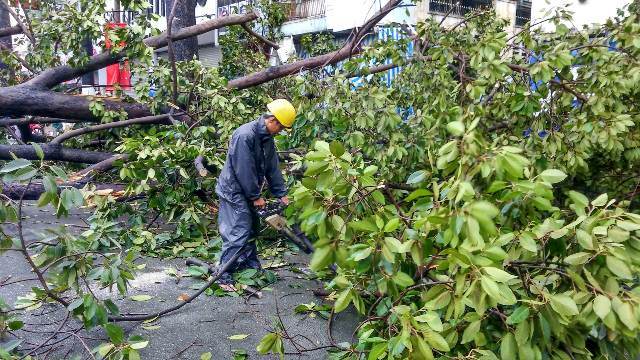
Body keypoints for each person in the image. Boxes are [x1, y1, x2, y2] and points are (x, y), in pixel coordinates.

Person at [214, 99, 296, 291]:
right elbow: (244, 169)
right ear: (273, 120)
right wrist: (254, 196)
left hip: (247, 190)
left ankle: (247, 263)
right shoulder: (245, 135)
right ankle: (223, 274)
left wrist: (281, 193)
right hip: (234, 191)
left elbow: (272, 167)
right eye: (282, 127)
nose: (281, 131)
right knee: (239, 230)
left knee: (252, 228)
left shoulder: (267, 138)